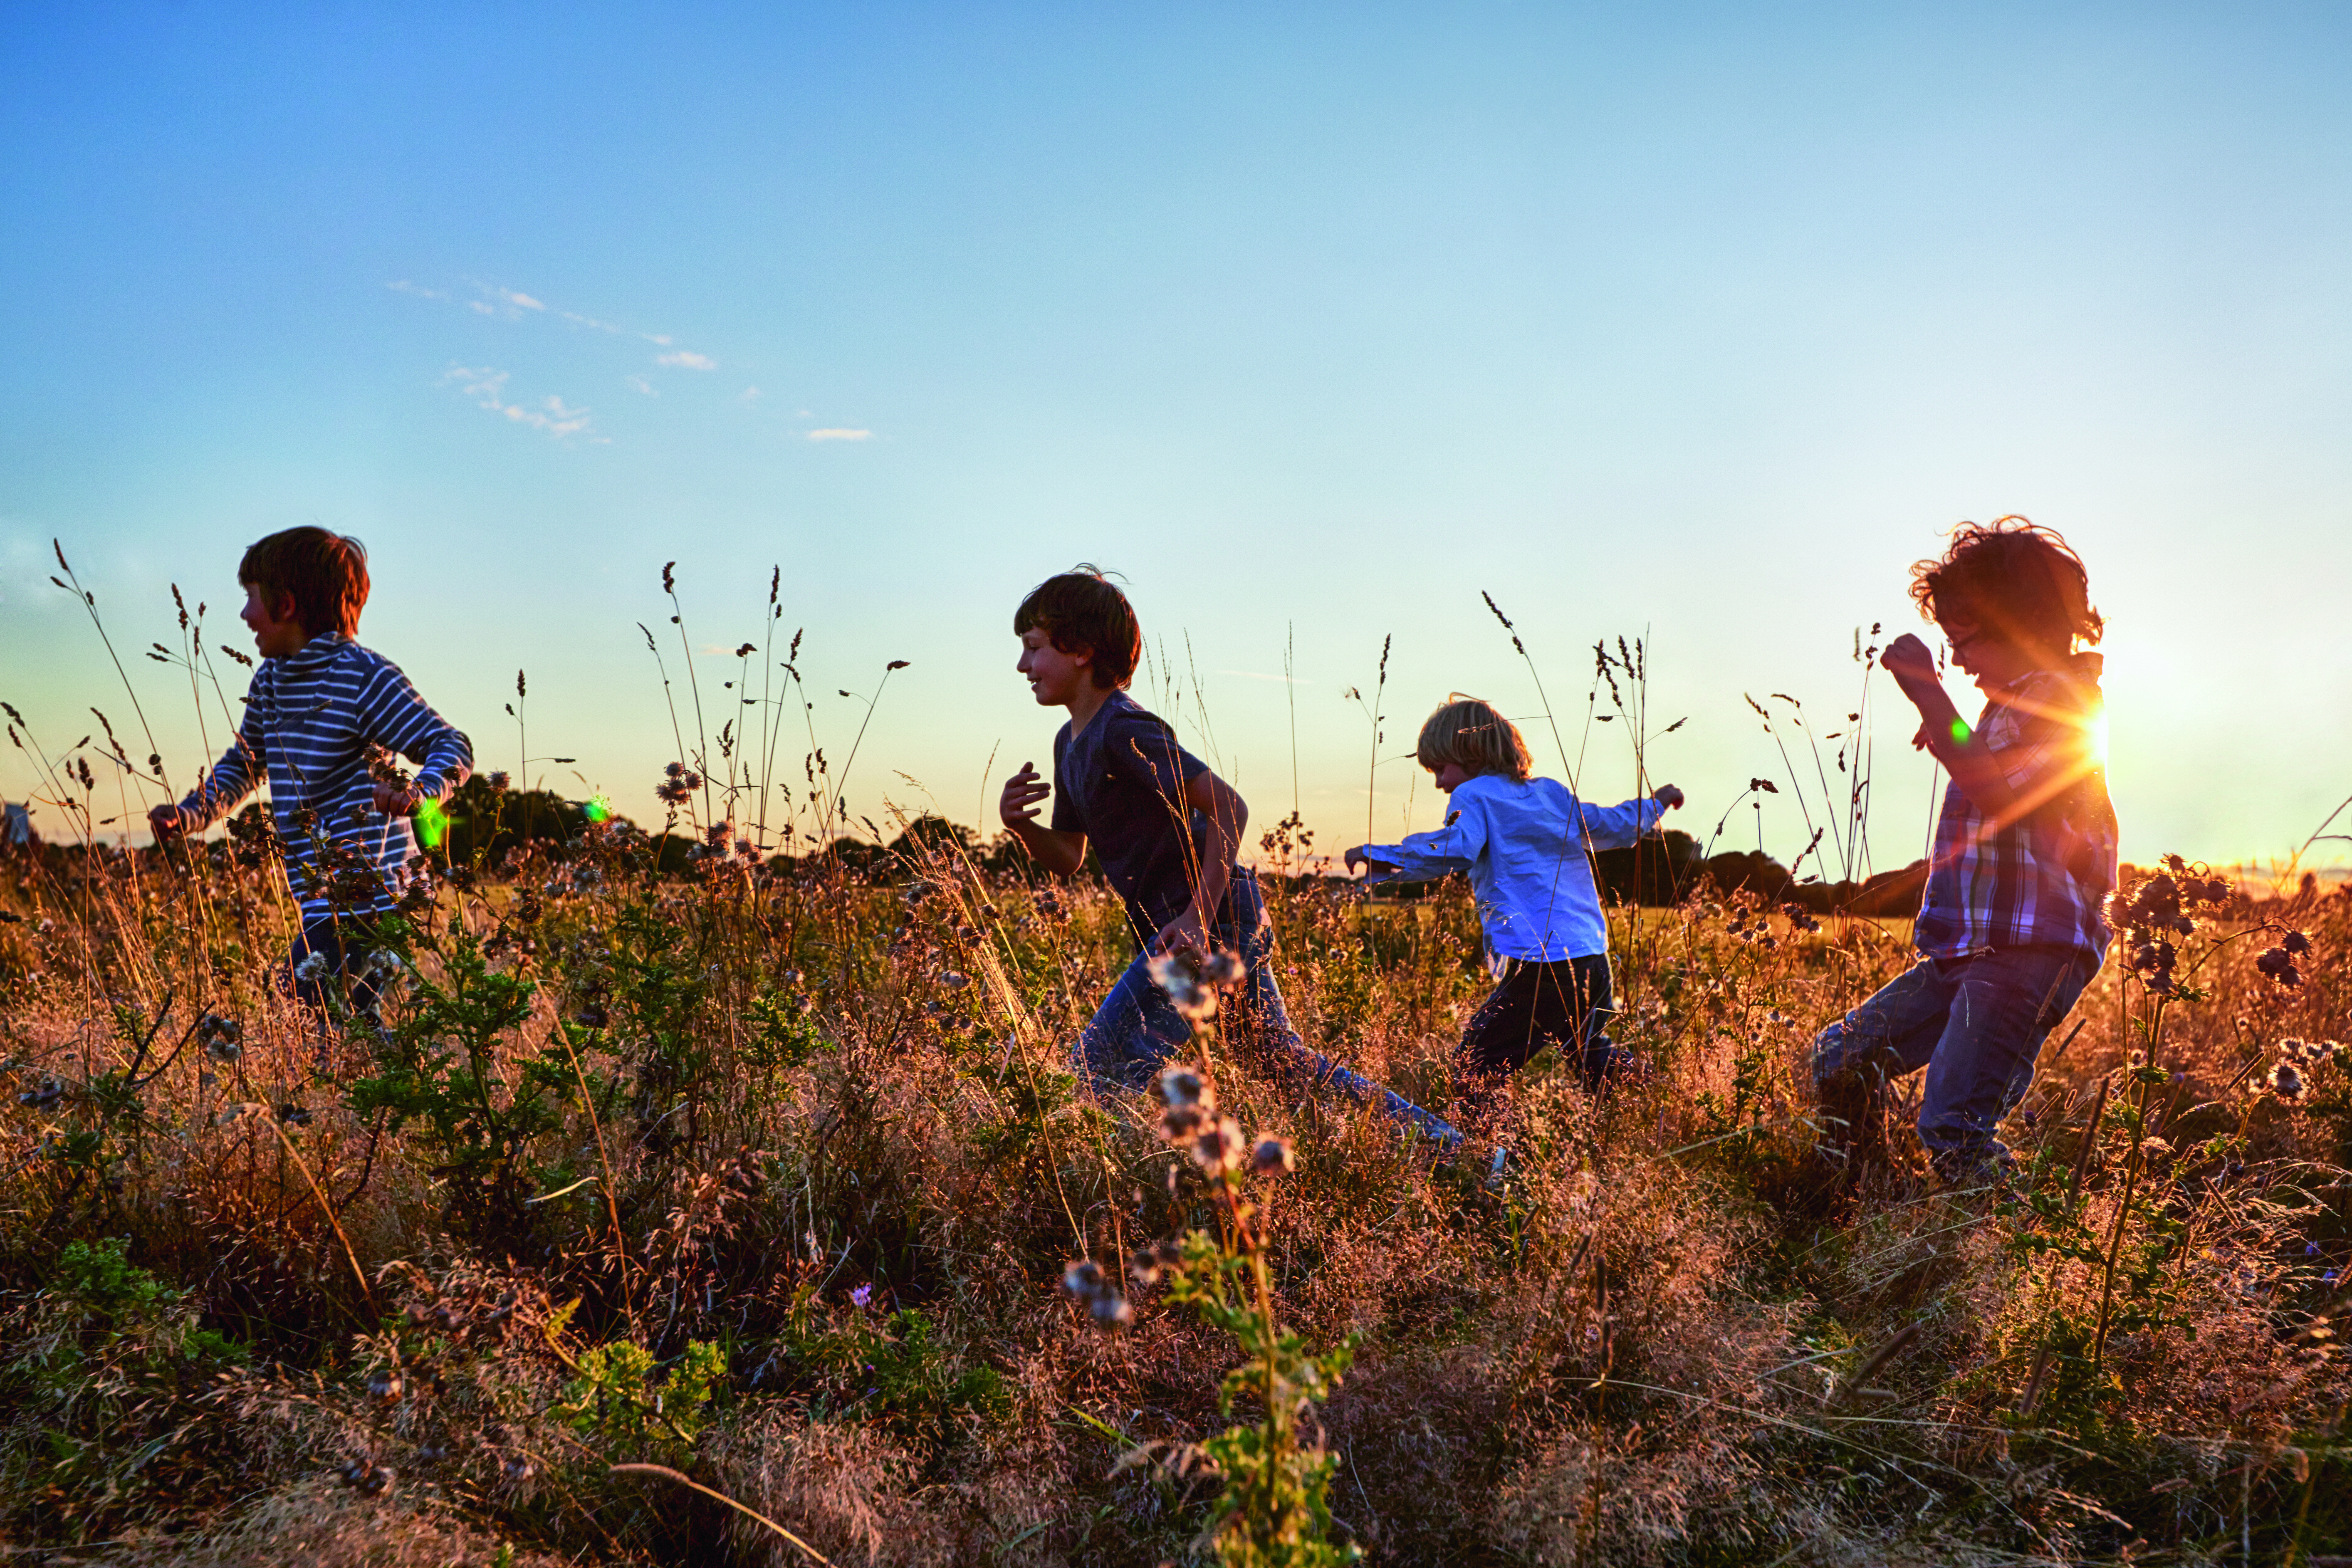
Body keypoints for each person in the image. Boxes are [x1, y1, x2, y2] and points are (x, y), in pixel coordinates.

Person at [997, 567, 1458, 1143]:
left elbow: (1228, 807)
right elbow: (1067, 856)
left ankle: (1101, 1209)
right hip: (1196, 924)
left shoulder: (1125, 729)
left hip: (1205, 923)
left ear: (1083, 650)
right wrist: (1020, 826)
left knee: (1095, 1076)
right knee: (1286, 1066)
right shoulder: (1070, 742)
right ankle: (1454, 1151)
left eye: (1034, 649)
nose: (1022, 666)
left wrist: (1194, 916)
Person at [1811, 517, 2117, 1186]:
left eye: (1966, 639)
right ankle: (1867, 1189)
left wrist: (1926, 690)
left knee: (1952, 1121)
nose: (1957, 659)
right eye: (1947, 645)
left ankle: (1988, 1249)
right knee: (1837, 1059)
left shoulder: (2063, 699)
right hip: (1966, 947)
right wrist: (1942, 722)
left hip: (2026, 950)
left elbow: (1998, 794)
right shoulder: (2005, 708)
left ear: (2022, 623)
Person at [149, 527, 472, 1020]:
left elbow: (451, 743)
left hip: (377, 889)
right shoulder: (271, 683)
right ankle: (378, 1091)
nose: (244, 615)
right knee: (349, 1023)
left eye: (250, 598)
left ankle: (341, 1091)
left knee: (302, 995)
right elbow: (245, 763)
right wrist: (191, 813)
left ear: (286, 605)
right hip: (323, 891)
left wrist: (419, 793)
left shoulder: (362, 676)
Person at [1344, 697, 1682, 1098]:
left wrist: (1380, 855)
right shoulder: (1551, 795)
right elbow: (1615, 824)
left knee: (1476, 1065)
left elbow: (1457, 848)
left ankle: (1493, 1153)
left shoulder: (1475, 796)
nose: (1438, 782)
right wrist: (1656, 803)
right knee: (1591, 1054)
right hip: (1590, 954)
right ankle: (1664, 1093)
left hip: (1542, 964)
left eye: (1440, 769)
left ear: (1469, 753)